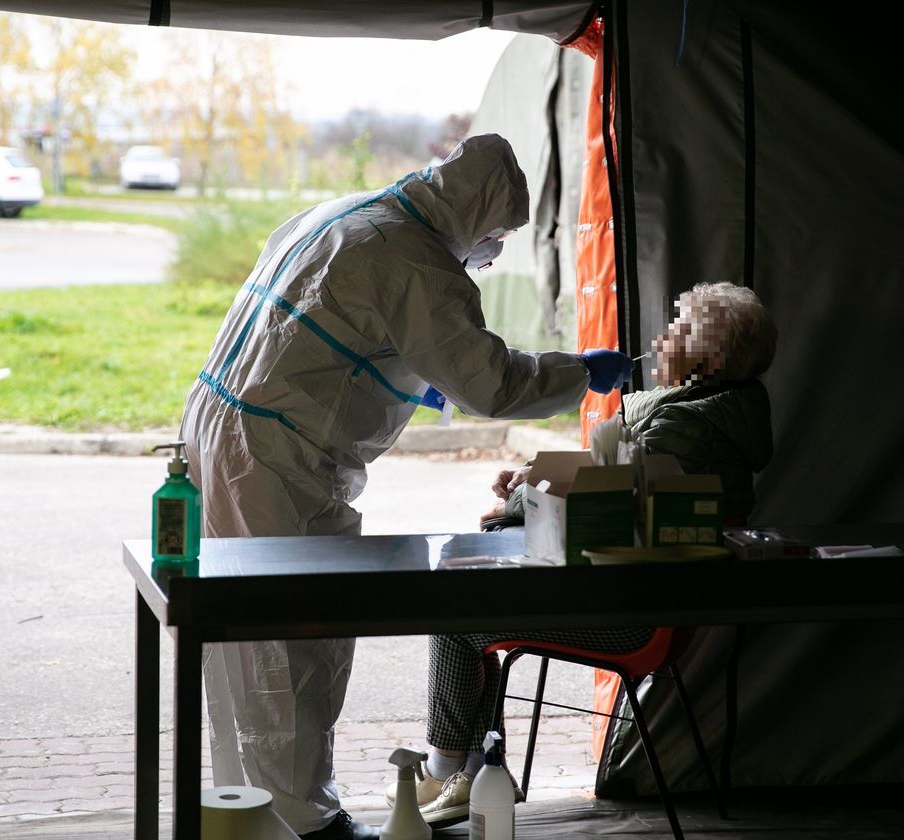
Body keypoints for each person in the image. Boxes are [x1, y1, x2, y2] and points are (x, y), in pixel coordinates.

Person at [179, 133, 633, 840]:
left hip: (221, 427)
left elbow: (325, 325)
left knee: (240, 637)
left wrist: (397, 373)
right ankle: (302, 821)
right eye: (499, 234)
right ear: (475, 214)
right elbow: (494, 381)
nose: (497, 250)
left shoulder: (346, 214)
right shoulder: (418, 261)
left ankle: (249, 811)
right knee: (290, 639)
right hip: (274, 459)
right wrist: (585, 372)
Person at [392, 281, 776, 828]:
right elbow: (607, 478)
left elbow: (602, 504)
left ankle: (452, 767)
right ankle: (468, 773)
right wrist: (531, 482)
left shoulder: (681, 426)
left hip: (630, 614)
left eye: (678, 330)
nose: (660, 338)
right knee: (471, 600)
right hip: (642, 595)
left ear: (709, 358)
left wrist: (516, 502)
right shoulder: (711, 416)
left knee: (458, 612)